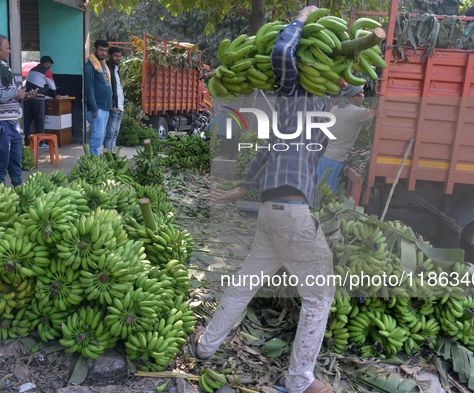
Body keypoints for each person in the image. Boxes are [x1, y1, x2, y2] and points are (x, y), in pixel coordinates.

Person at [200, 6, 337, 393]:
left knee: (245, 283)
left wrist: (241, 189)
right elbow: (280, 55)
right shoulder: (299, 94)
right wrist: (302, 19)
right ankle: (299, 381)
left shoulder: (310, 111)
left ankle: (206, 346)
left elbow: (267, 151)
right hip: (293, 216)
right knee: (318, 297)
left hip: (269, 213)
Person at [0, 34, 38, 187]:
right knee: (1, 159)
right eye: (7, 48)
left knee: (16, 158)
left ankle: (18, 189)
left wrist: (25, 95)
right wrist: (16, 93)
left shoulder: (4, 67)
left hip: (13, 120)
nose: (9, 51)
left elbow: (10, 92)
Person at [316, 85, 373, 192]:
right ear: (354, 95)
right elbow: (378, 115)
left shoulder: (335, 109)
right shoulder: (356, 112)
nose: (363, 96)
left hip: (323, 154)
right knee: (325, 193)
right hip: (334, 158)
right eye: (361, 93)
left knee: (318, 189)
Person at [84, 40, 113, 156]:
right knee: (96, 139)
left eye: (105, 51)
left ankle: (95, 161)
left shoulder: (102, 65)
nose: (103, 53)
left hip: (105, 107)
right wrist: (94, 109)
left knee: (101, 137)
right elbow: (89, 89)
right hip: (98, 108)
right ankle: (93, 164)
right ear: (94, 49)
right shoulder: (90, 66)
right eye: (101, 50)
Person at [23, 55, 57, 147]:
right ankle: (40, 143)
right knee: (39, 122)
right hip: (38, 99)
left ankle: (25, 142)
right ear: (47, 63)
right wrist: (55, 96)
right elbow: (52, 86)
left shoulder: (31, 70)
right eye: (50, 65)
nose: (50, 67)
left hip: (27, 98)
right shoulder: (46, 71)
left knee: (26, 122)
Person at [103, 46, 124, 153]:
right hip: (114, 107)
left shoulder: (116, 69)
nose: (118, 58)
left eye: (119, 56)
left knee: (115, 132)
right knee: (110, 133)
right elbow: (108, 89)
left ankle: (112, 155)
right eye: (116, 56)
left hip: (120, 106)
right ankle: (107, 157)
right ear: (109, 56)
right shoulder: (107, 69)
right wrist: (112, 104)